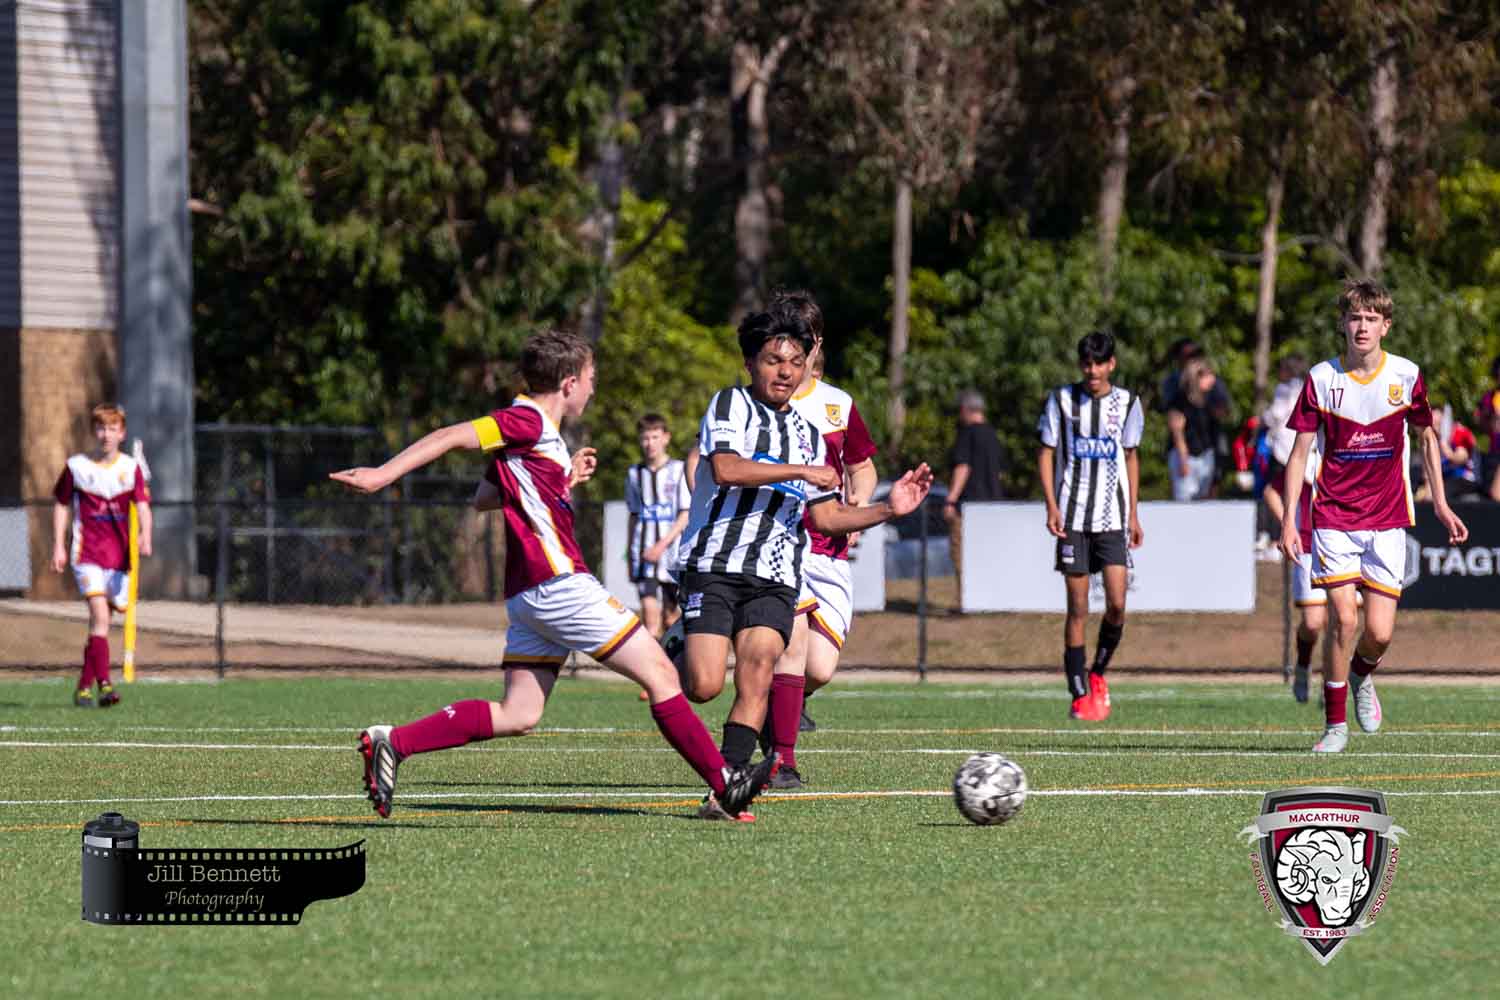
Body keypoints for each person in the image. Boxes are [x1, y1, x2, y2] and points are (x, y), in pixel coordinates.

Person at [331, 331, 778, 820]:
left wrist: (561, 479)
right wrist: (382, 475)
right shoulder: (526, 421)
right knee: (662, 673)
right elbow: (450, 435)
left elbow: (485, 498)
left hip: (527, 594)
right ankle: (725, 784)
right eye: (590, 378)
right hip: (558, 584)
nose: (593, 388)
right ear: (569, 383)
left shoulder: (535, 437)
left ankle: (393, 742)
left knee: (519, 713)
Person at [675, 302, 932, 817]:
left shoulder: (810, 435)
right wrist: (799, 471)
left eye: (795, 362)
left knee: (759, 671)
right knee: (703, 685)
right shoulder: (730, 405)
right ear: (750, 362)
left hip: (775, 574)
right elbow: (725, 469)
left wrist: (888, 509)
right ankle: (673, 648)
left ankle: (727, 788)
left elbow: (827, 517)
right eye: (774, 360)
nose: (786, 372)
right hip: (716, 564)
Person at [1280, 279, 1469, 754]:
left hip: (1387, 517)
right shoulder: (1322, 379)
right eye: (1354, 318)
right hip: (1333, 517)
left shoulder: (1406, 375)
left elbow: (1427, 438)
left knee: (1379, 634)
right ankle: (1334, 726)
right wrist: (1288, 522)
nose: (1361, 327)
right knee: (1343, 620)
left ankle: (1362, 676)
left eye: (1371, 319)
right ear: (1342, 324)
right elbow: (1299, 454)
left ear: (1386, 325)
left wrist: (1441, 503)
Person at [761, 289, 879, 787]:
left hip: (828, 550)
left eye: (803, 341)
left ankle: (773, 709)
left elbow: (863, 467)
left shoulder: (837, 405)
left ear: (817, 344)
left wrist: (856, 504)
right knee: (787, 647)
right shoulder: (758, 400)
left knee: (822, 668)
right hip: (776, 545)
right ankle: (778, 756)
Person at [1037, 332, 1144, 722]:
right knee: (1078, 607)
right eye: (1086, 363)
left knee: (1117, 604)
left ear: (1111, 364)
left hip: (1112, 518)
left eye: (1099, 363)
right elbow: (1046, 453)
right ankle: (1078, 692)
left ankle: (1098, 670)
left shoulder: (1128, 403)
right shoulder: (1061, 401)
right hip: (1073, 518)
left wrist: (1133, 514)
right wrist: (1051, 505)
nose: (1092, 370)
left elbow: (1130, 456)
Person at [51, 403, 153, 708]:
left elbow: (143, 507)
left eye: (112, 429)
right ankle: (106, 684)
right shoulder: (77, 467)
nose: (106, 435)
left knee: (101, 625)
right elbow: (61, 504)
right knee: (100, 617)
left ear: (122, 433)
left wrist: (146, 535)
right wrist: (58, 545)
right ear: (94, 432)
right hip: (87, 555)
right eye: (100, 428)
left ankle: (84, 687)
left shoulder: (130, 469)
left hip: (118, 559)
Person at [625, 413, 691, 639]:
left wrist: (661, 546)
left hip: (672, 555)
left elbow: (685, 514)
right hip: (644, 556)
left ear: (666, 438)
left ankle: (672, 660)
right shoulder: (634, 474)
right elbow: (633, 515)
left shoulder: (679, 470)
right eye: (645, 438)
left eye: (654, 437)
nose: (650, 443)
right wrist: (630, 555)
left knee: (671, 619)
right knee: (650, 621)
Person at [943, 390, 1004, 608]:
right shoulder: (993, 435)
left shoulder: (967, 434)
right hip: (993, 506)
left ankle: (966, 601)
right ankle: (989, 599)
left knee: (962, 555)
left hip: (968, 507)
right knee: (988, 554)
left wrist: (951, 500)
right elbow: (999, 474)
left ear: (964, 410)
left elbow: (963, 467)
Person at [1166, 356, 1230, 500]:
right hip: (1186, 456)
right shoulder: (1180, 401)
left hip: (1206, 454)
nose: (1213, 379)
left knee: (1204, 498)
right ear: (1196, 377)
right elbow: (1177, 432)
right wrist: (1183, 460)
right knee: (1185, 498)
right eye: (1208, 375)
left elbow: (1224, 414)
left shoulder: (1210, 399)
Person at [1472, 357, 1500, 501]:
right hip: (1493, 452)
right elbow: (1479, 419)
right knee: (1491, 493)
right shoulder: (1491, 397)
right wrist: (1489, 418)